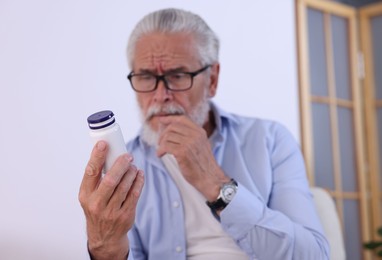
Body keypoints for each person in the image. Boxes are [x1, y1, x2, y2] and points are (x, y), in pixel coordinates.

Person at [79, 8, 330, 260]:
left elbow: (314, 256)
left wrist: (216, 183)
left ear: (212, 79)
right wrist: (106, 246)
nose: (160, 95)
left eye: (177, 76)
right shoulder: (125, 167)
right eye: (145, 77)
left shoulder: (271, 140)